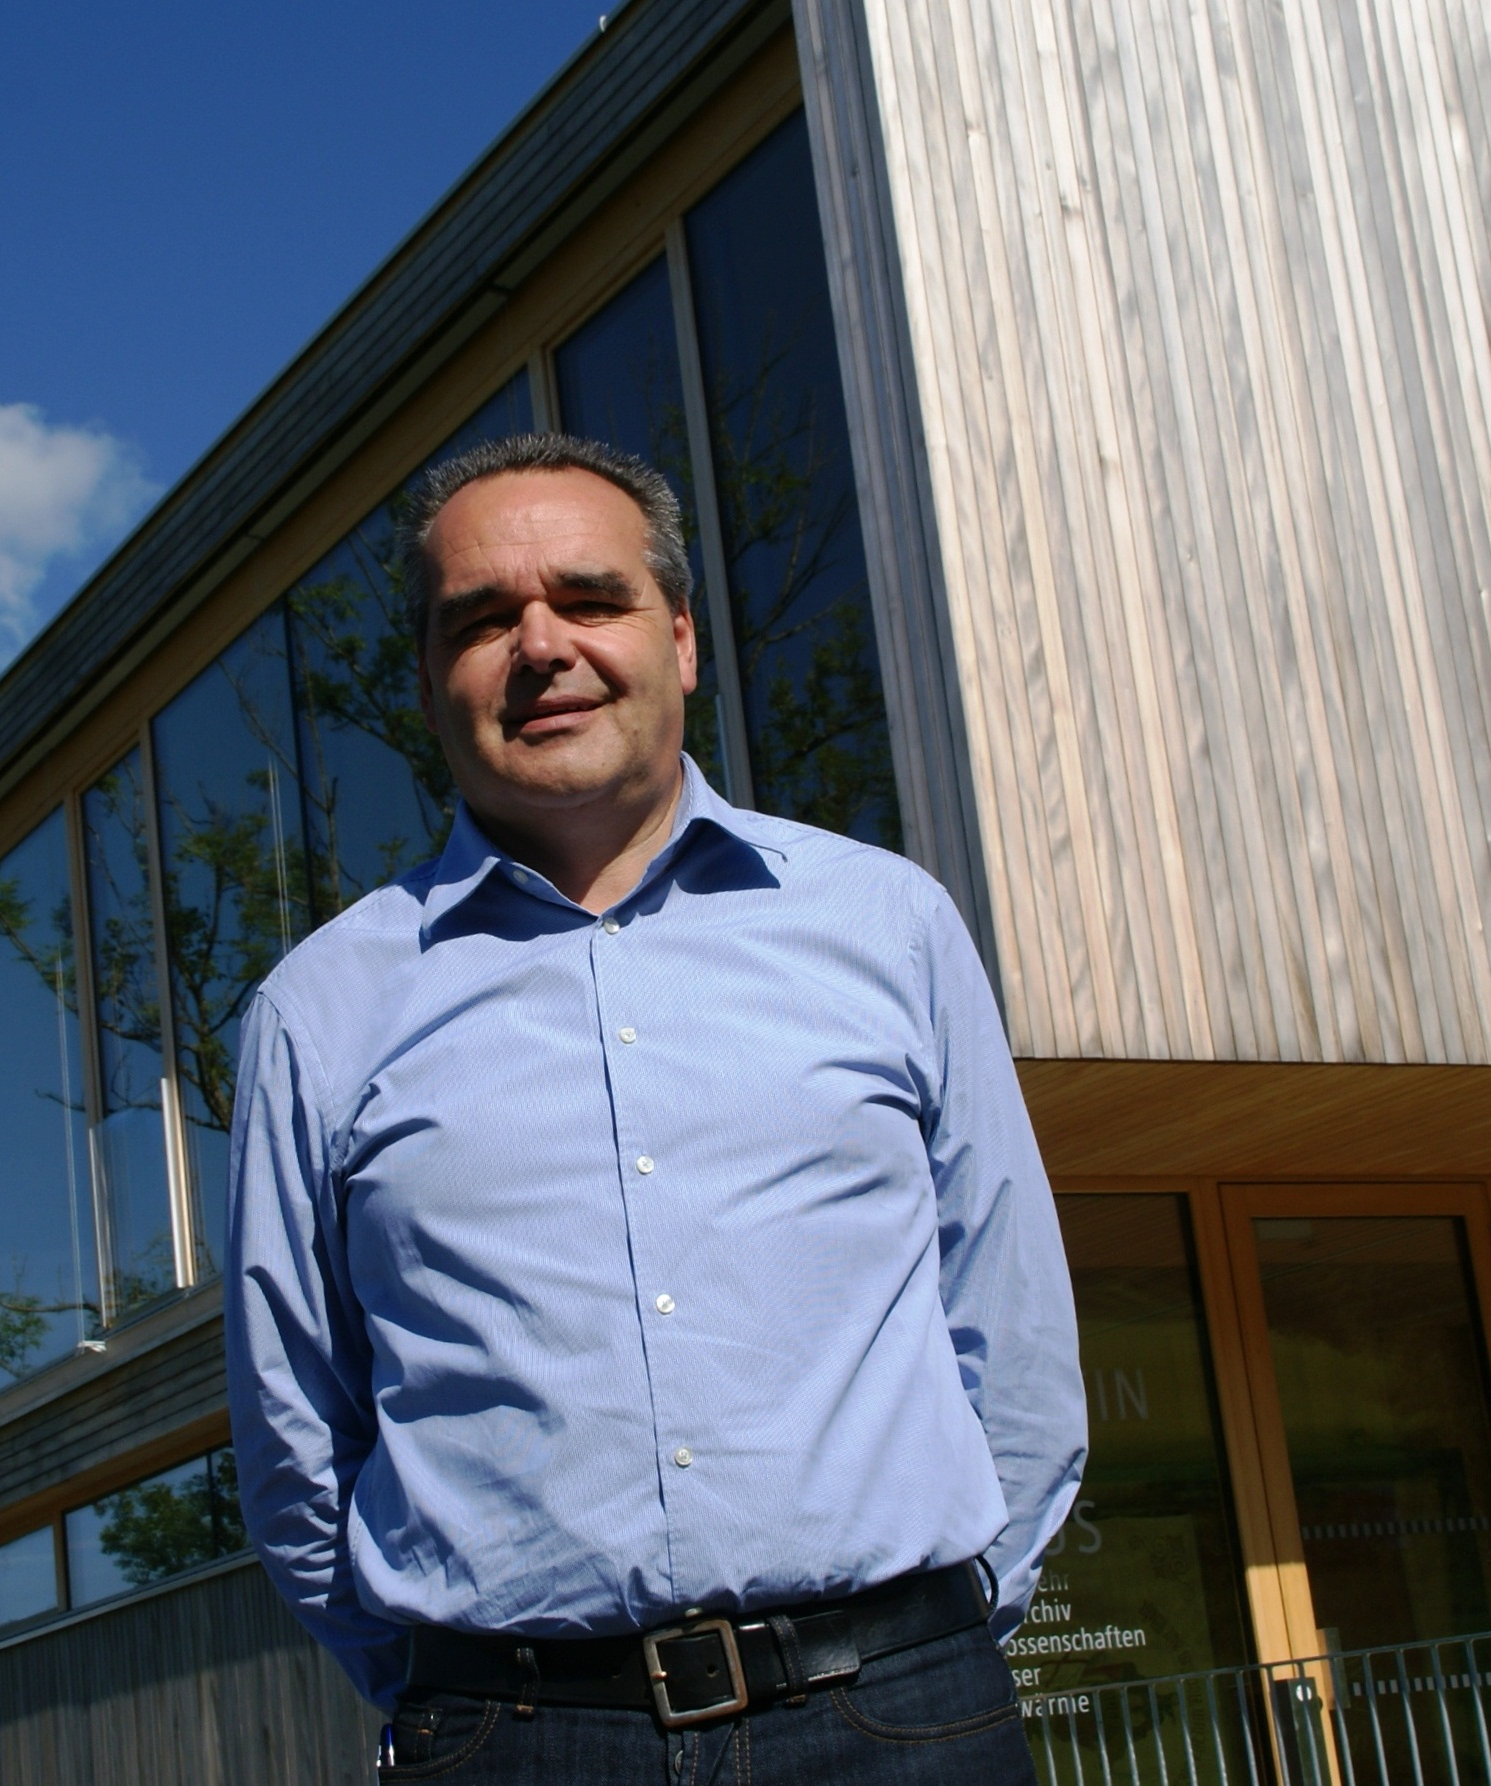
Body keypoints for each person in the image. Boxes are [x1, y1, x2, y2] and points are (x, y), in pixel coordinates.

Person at [223, 432, 1087, 1783]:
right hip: (516, 1742)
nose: (541, 646)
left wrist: (944, 1635)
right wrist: (456, 1706)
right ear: (429, 679)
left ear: (678, 638)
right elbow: (292, 1427)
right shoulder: (318, 1010)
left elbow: (1011, 1330)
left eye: (590, 597)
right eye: (482, 620)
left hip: (897, 1717)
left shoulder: (890, 927)